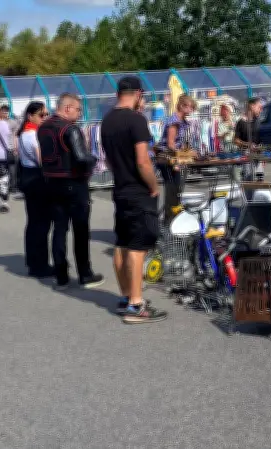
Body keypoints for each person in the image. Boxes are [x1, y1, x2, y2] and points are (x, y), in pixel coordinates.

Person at [102, 76, 167, 324]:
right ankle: (136, 305)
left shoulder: (107, 121)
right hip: (138, 190)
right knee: (138, 246)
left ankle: (126, 296)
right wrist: (153, 186)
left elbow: (107, 159)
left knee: (122, 243)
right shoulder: (136, 120)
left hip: (120, 188)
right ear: (139, 93)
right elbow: (143, 160)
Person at [38, 93, 104, 290]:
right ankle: (85, 273)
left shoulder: (43, 127)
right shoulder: (70, 129)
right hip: (73, 183)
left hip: (51, 181)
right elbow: (82, 157)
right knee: (81, 229)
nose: (80, 113)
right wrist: (95, 161)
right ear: (67, 108)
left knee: (59, 229)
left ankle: (61, 275)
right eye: (78, 109)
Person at [17, 101, 53, 278]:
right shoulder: (32, 135)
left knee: (34, 223)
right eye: (41, 115)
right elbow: (43, 161)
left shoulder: (25, 133)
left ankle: (34, 262)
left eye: (46, 114)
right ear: (30, 116)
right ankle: (40, 265)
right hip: (37, 181)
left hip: (28, 178)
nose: (45, 118)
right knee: (41, 224)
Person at [156, 94, 196, 226]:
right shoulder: (175, 121)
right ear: (183, 106)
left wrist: (186, 149)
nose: (191, 111)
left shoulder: (182, 121)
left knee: (177, 190)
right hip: (167, 158)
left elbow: (179, 144)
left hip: (173, 158)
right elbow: (171, 144)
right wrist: (183, 155)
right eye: (190, 107)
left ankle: (172, 218)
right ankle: (169, 221)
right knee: (173, 190)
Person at [234, 97, 263, 181]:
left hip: (259, 157)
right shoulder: (241, 122)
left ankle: (258, 193)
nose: (260, 110)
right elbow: (236, 140)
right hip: (246, 156)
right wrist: (248, 144)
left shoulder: (259, 121)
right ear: (251, 106)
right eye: (259, 107)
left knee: (260, 179)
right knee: (248, 180)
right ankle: (248, 194)